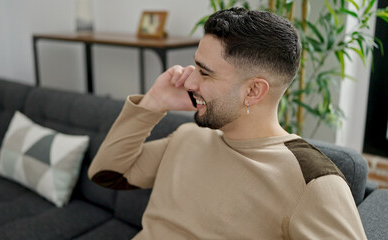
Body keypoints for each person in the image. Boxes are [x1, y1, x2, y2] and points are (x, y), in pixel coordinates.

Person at [88, 8, 367, 239]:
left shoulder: (311, 180)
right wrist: (153, 102)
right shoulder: (187, 137)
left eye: (205, 74)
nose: (189, 81)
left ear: (253, 91)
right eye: (195, 66)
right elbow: (105, 174)